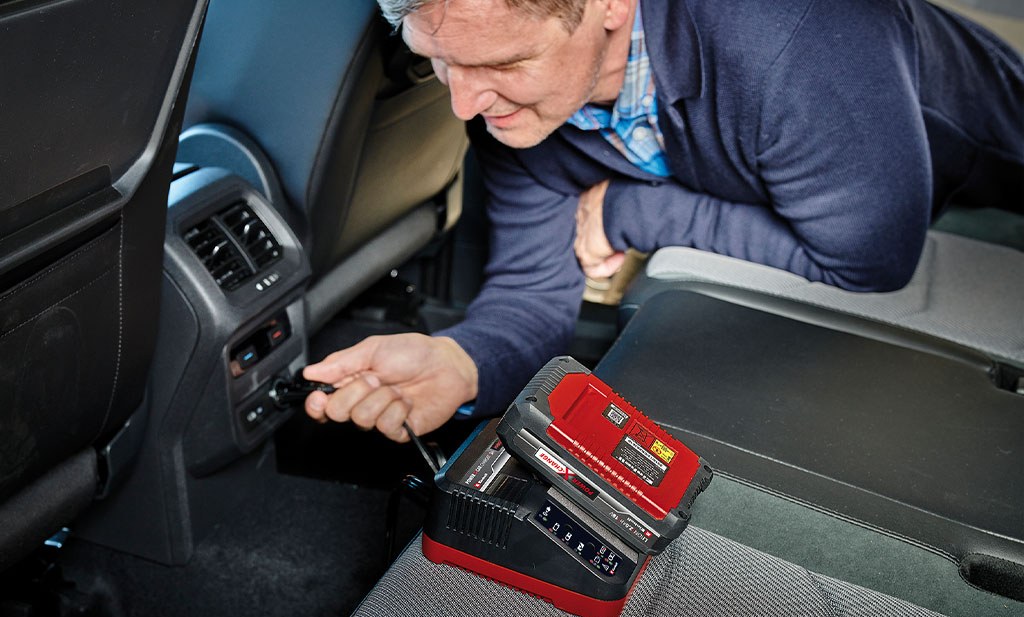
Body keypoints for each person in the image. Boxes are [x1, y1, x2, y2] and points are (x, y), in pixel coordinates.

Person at [304, 0, 1024, 441]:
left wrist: (633, 211)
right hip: (822, 170)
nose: (464, 105)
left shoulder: (792, 37)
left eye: (504, 62)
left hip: (984, 153)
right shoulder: (512, 108)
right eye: (437, 63)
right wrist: (461, 363)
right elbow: (531, 295)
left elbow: (870, 258)